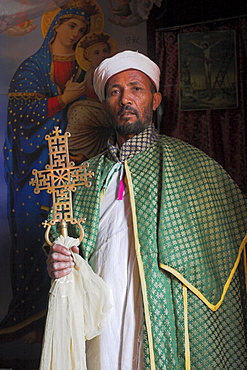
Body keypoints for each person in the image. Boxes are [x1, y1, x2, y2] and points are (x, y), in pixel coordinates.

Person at [47, 50, 247, 369]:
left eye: (135, 88)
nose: (125, 98)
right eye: (115, 91)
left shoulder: (193, 168)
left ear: (154, 101)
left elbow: (221, 252)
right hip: (100, 321)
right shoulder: (80, 179)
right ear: (105, 105)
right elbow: (66, 253)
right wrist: (57, 265)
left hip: (164, 314)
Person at [1, 0, 103, 342]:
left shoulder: (82, 69)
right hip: (34, 172)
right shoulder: (32, 68)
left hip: (70, 167)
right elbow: (20, 114)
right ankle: (28, 317)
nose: (77, 35)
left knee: (72, 236)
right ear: (56, 26)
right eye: (73, 27)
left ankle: (67, 317)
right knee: (34, 239)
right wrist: (62, 99)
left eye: (83, 31)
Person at [66, 31, 118, 164]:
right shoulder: (90, 72)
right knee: (77, 113)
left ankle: (77, 151)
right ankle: (77, 151)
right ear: (88, 57)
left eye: (105, 51)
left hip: (105, 108)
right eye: (97, 53)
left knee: (80, 113)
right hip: (92, 105)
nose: (102, 55)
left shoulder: (111, 73)